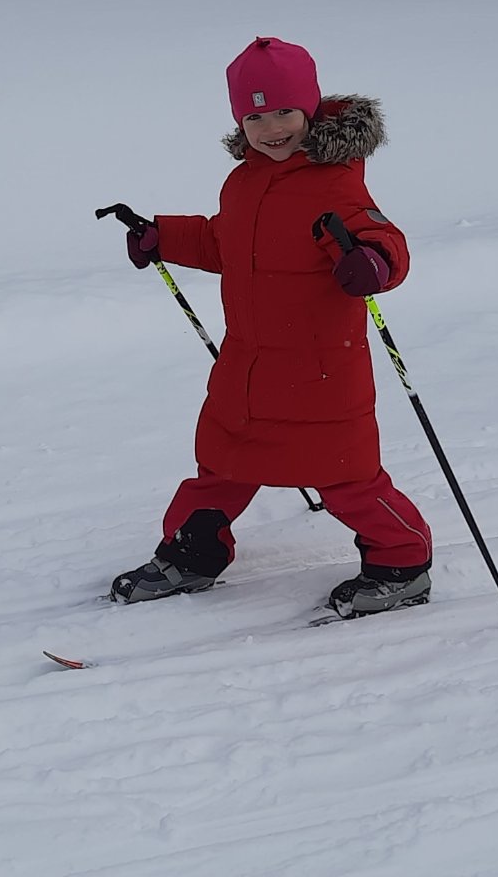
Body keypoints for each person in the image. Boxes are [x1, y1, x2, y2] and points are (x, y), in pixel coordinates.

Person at [113, 36, 433, 620]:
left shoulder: (336, 180)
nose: (270, 127)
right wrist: (162, 234)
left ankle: (402, 561)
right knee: (222, 463)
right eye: (254, 115)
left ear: (309, 108)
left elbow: (383, 237)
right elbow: (223, 241)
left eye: (283, 111)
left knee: (345, 477)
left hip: (320, 369)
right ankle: (193, 553)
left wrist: (373, 262)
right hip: (249, 364)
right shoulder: (244, 182)